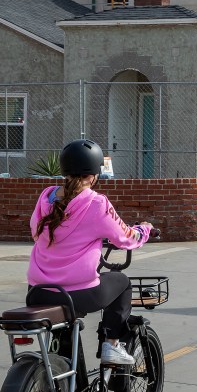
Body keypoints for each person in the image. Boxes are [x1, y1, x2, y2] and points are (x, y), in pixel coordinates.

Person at [27, 139, 153, 365]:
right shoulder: (96, 204)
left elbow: (36, 233)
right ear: (94, 174)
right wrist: (144, 230)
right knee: (122, 282)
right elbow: (125, 237)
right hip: (77, 295)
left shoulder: (46, 197)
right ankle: (112, 345)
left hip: (37, 292)